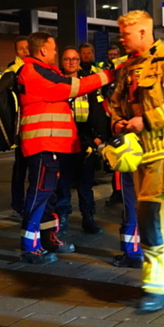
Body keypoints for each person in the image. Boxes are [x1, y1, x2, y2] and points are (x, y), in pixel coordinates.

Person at [109, 10, 164, 312]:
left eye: (126, 34)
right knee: (156, 218)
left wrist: (145, 120)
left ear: (144, 33)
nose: (121, 38)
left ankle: (158, 288)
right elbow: (114, 101)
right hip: (137, 154)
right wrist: (118, 122)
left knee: (150, 216)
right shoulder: (127, 66)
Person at [17, 32, 114, 264]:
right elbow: (73, 87)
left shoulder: (42, 71)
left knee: (48, 196)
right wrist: (110, 74)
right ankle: (29, 246)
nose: (55, 53)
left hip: (51, 144)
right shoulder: (36, 72)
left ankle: (49, 238)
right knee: (39, 194)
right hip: (43, 143)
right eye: (52, 49)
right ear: (42, 51)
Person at [56, 47, 107, 235]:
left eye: (75, 59)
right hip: (62, 141)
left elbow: (99, 110)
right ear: (62, 61)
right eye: (67, 59)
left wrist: (98, 137)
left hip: (85, 141)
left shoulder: (89, 82)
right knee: (62, 185)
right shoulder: (56, 81)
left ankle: (89, 218)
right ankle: (62, 219)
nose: (71, 62)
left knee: (86, 184)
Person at [5, 36, 29, 218]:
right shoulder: (13, 71)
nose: (25, 51)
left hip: (32, 126)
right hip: (21, 128)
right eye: (21, 49)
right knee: (20, 168)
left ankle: (26, 203)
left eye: (27, 47)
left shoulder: (32, 67)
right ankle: (18, 204)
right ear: (16, 52)